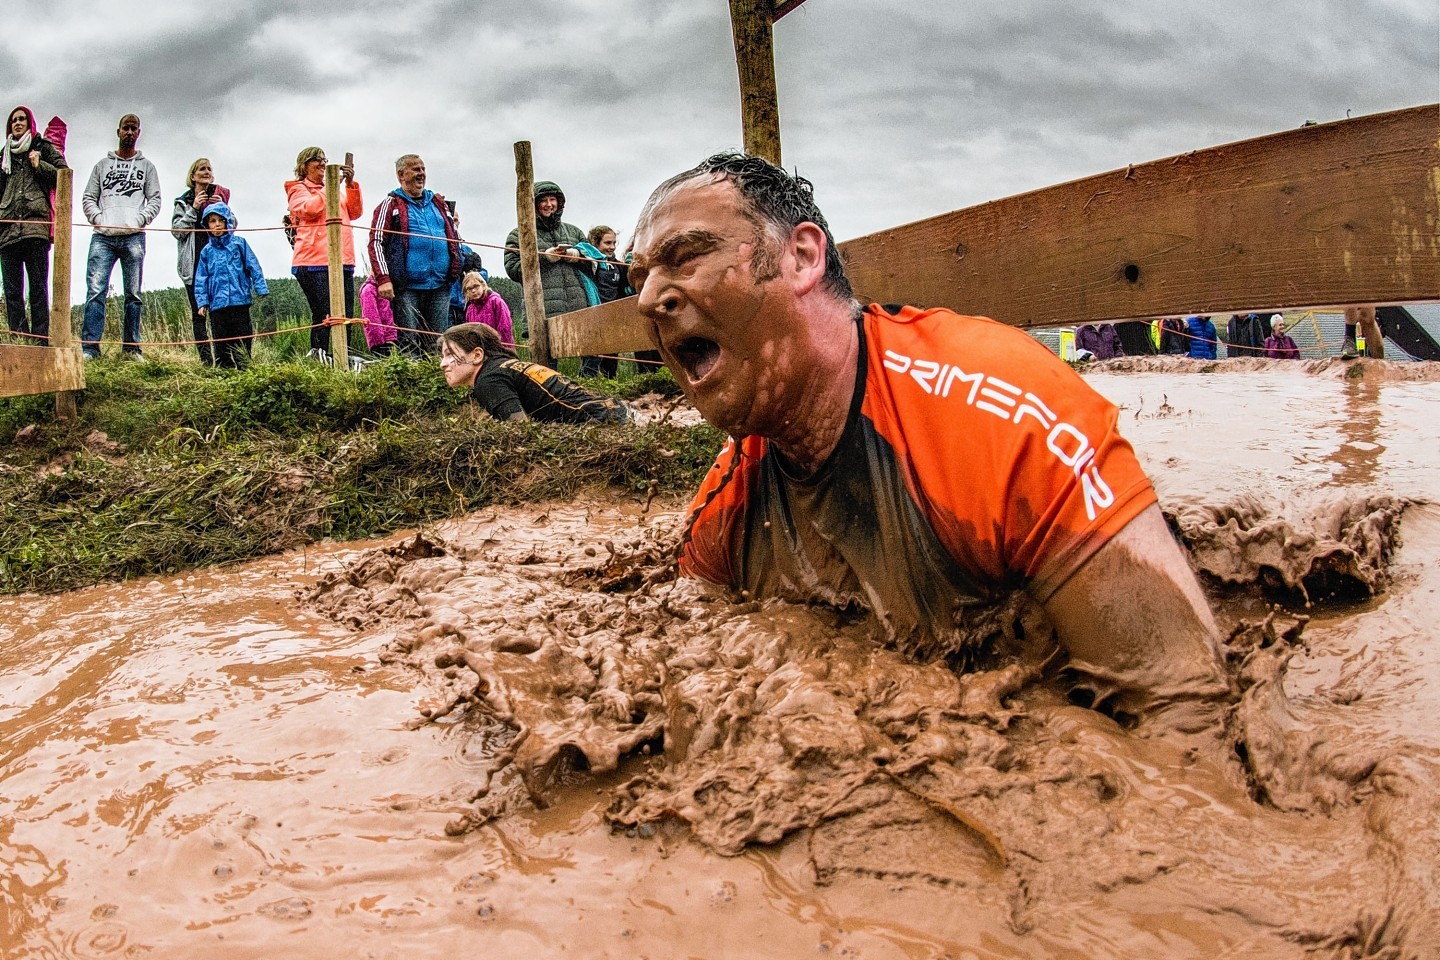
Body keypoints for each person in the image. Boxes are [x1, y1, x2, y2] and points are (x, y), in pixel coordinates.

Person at [627, 152, 1228, 733]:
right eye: (640, 278)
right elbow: (689, 646)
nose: (650, 299)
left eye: (684, 258)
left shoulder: (1001, 414)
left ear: (802, 257)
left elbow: (1185, 714)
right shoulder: (732, 492)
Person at [438, 322, 632, 425]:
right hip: (614, 410)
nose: (442, 364)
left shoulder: (488, 381)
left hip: (605, 423)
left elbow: (520, 431)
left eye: (449, 354)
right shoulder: (504, 365)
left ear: (477, 355)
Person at [80, 114, 160, 358]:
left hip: (133, 236)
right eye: (125, 128)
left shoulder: (147, 167)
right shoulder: (102, 166)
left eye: (133, 128)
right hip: (102, 237)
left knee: (133, 294)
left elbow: (155, 199)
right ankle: (90, 349)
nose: (129, 132)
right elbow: (88, 197)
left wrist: (139, 219)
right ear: (118, 131)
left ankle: (131, 349)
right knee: (95, 291)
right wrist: (98, 218)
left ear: (138, 132)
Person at [366, 154, 462, 357]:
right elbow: (376, 242)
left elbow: (453, 235)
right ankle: (411, 385)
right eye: (415, 169)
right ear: (401, 175)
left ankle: (439, 383)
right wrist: (383, 279)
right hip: (406, 285)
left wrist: (458, 265)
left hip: (440, 284)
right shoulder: (390, 205)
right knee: (409, 341)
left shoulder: (438, 203)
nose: (421, 173)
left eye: (423, 169)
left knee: (438, 340)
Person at [286, 147, 363, 360]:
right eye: (316, 160)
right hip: (312, 261)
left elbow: (355, 212)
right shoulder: (298, 189)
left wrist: (349, 185)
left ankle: (343, 359)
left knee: (345, 314)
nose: (322, 163)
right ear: (303, 166)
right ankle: (319, 358)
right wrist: (330, 185)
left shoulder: (332, 190)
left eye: (324, 159)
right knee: (324, 314)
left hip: (343, 259)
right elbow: (308, 210)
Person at [0, 105, 67, 344]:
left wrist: (40, 166)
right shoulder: (3, 156)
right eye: (13, 120)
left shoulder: (42, 147)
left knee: (38, 288)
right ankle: (20, 338)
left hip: (35, 227)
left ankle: (40, 339)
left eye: (22, 119)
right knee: (12, 292)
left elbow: (64, 176)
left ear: (29, 123)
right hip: (7, 230)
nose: (17, 123)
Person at [504, 179, 591, 351]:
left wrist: (576, 256)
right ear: (534, 204)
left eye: (553, 200)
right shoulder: (519, 234)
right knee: (546, 358)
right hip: (541, 308)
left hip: (579, 305)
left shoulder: (574, 232)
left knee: (591, 354)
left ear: (560, 203)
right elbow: (513, 269)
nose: (548, 204)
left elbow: (594, 264)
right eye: (543, 200)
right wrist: (545, 258)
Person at [171, 158, 231, 365]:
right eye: (202, 169)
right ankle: (206, 361)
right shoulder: (183, 201)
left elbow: (233, 226)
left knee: (218, 314)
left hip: (217, 265)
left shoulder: (219, 196)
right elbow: (177, 231)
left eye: (209, 169)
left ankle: (223, 360)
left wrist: (223, 209)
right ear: (193, 175)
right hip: (193, 265)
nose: (206, 172)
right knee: (199, 315)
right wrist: (194, 208)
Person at [193, 202, 266, 369]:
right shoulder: (206, 251)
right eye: (212, 221)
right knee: (221, 340)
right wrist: (202, 302)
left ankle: (245, 369)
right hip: (217, 304)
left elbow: (253, 266)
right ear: (206, 224)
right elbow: (201, 279)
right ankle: (224, 371)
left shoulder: (239, 244)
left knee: (243, 338)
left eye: (221, 220)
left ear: (228, 222)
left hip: (240, 300)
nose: (217, 224)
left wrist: (260, 287)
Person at [461, 271, 514, 347]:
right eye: (469, 289)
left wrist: (505, 349)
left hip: (499, 348)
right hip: (480, 350)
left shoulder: (496, 302)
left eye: (476, 286)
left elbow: (505, 328)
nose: (473, 291)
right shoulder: (470, 310)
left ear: (483, 285)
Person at [358, 274, 398, 356]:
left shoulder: (390, 287)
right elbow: (371, 319)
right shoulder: (369, 289)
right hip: (380, 342)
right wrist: (379, 342)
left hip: (392, 338)